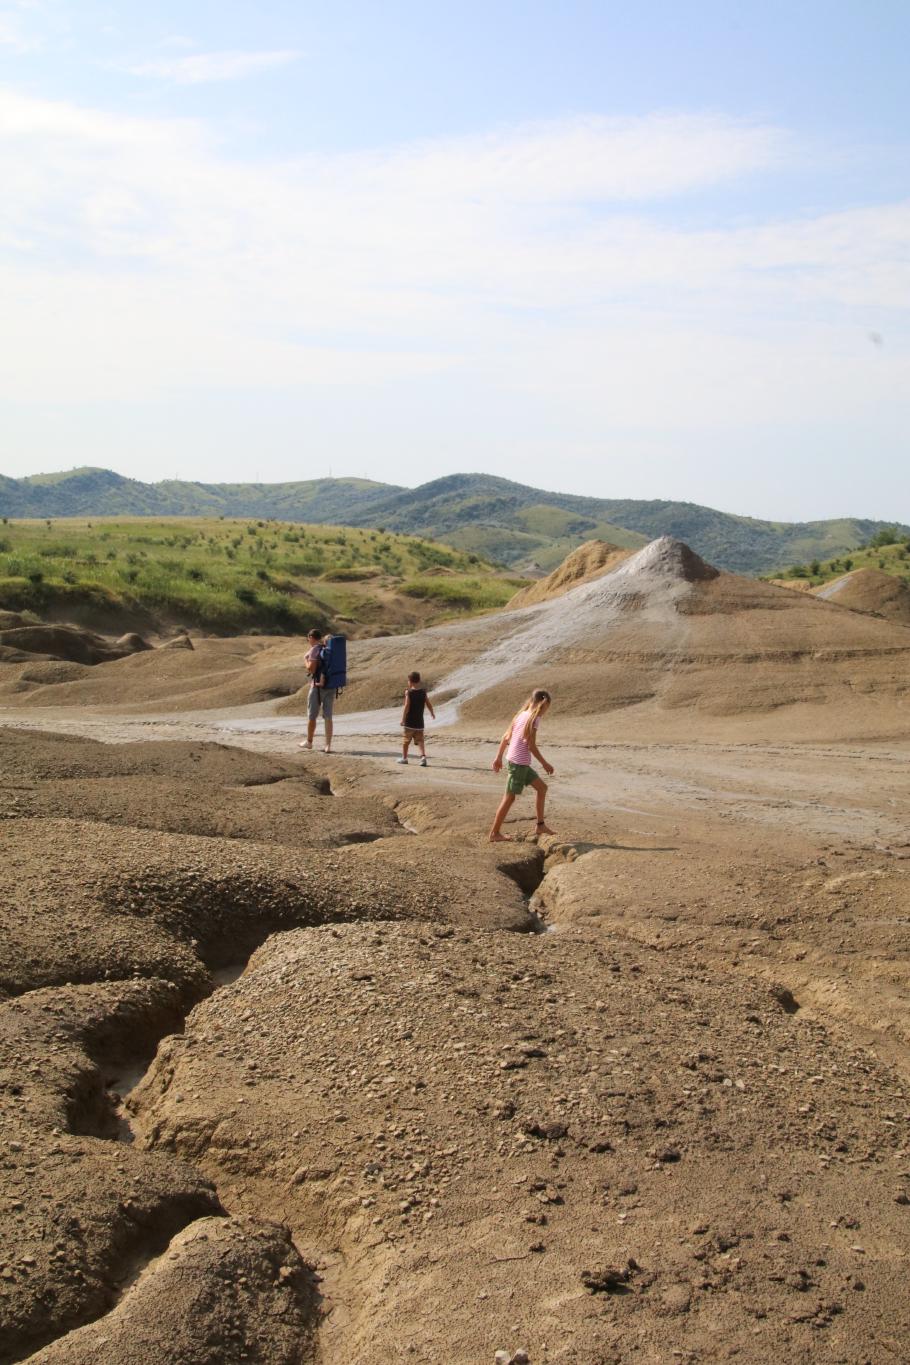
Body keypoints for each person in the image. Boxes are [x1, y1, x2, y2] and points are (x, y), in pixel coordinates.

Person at [489, 688, 555, 842]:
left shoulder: (521, 714)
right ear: (543, 704)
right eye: (547, 708)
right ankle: (494, 833)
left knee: (542, 788)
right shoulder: (534, 718)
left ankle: (540, 825)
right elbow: (531, 746)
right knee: (509, 798)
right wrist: (545, 764)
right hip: (518, 764)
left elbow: (505, 738)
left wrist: (498, 758)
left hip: (519, 763)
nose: (545, 712)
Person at [298, 628, 336, 753]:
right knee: (328, 716)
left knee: (312, 716)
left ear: (311, 637)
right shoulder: (328, 649)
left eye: (308, 638)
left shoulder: (315, 649)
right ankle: (328, 745)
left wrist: (305, 659)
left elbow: (311, 669)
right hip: (331, 686)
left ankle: (309, 742)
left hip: (317, 687)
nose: (308, 640)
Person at [397, 671, 436, 766]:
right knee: (420, 740)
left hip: (409, 722)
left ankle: (404, 758)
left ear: (410, 681)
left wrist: (403, 719)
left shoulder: (409, 692)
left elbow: (407, 706)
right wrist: (432, 712)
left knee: (406, 741)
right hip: (419, 722)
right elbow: (428, 703)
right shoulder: (423, 692)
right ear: (419, 680)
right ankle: (423, 757)